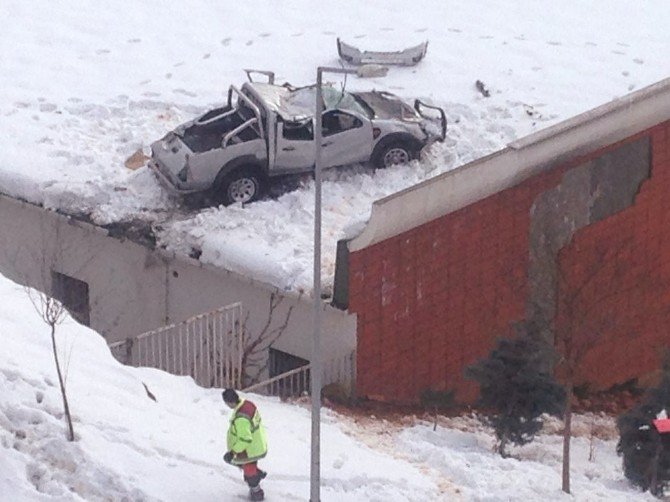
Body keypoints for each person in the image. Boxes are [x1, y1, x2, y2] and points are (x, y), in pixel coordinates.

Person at [222, 389, 268, 501]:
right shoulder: (248, 404)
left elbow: (245, 439)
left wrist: (233, 452)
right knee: (247, 466)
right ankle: (257, 474)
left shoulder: (241, 418)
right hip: (258, 443)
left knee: (248, 471)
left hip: (248, 450)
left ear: (229, 402)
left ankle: (256, 491)